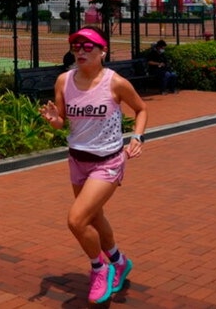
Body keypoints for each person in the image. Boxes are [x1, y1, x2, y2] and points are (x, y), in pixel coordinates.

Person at [39, 26, 148, 305]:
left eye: (88, 47)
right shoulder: (64, 81)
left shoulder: (115, 83)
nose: (81, 51)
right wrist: (54, 121)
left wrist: (137, 136)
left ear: (103, 51)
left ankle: (100, 269)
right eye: (76, 46)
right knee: (94, 217)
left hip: (107, 162)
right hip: (77, 160)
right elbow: (62, 120)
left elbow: (141, 109)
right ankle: (119, 261)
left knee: (76, 220)